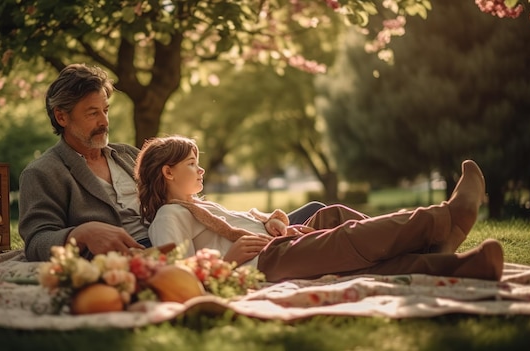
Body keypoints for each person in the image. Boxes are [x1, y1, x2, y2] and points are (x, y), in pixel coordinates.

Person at [18, 63, 322, 261]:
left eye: (105, 110)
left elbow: (186, 200)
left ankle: (340, 243)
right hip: (152, 252)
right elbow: (36, 242)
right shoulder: (44, 173)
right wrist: (79, 234)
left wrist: (256, 219)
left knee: (315, 212)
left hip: (194, 231)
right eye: (91, 113)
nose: (104, 122)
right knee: (299, 245)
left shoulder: (126, 155)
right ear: (61, 116)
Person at [135, 135, 505, 283]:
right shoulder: (169, 217)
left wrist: (273, 223)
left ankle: (449, 261)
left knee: (334, 216)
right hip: (265, 264)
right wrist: (228, 262)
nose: (200, 170)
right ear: (167, 172)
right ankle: (443, 220)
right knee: (347, 240)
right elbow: (173, 276)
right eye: (191, 165)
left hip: (276, 245)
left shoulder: (200, 206)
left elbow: (243, 222)